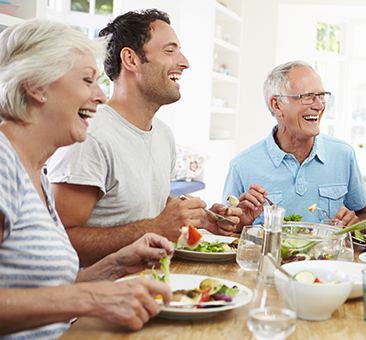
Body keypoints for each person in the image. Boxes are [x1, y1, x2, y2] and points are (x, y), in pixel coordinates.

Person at [0, 19, 175, 340]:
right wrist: (92, 298)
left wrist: (114, 267)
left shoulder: (34, 171)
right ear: (36, 85)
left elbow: (44, 294)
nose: (100, 96)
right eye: (86, 80)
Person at [47, 9, 240, 267]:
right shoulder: (89, 135)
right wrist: (157, 227)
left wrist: (200, 220)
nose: (184, 62)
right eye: (170, 51)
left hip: (152, 285)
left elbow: (146, 212)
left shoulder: (163, 135)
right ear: (131, 59)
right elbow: (60, 242)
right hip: (101, 297)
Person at [222, 61, 366, 231]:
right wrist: (240, 224)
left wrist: (356, 223)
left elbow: (365, 216)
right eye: (307, 96)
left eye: (321, 95)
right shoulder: (242, 165)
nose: (319, 105)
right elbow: (225, 232)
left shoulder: (343, 155)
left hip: (328, 258)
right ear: (277, 105)